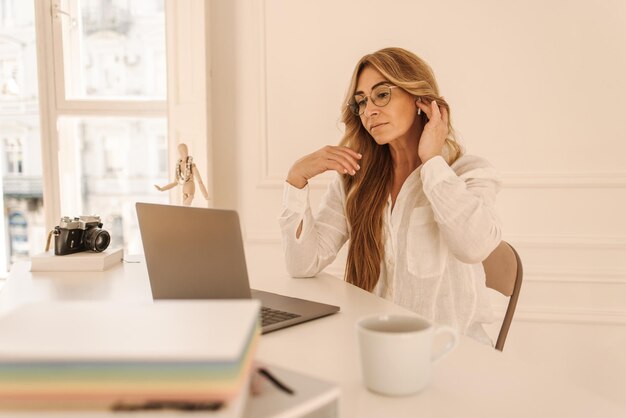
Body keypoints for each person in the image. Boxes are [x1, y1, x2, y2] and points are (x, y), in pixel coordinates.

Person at [279, 47, 502, 343]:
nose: (369, 110)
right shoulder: (355, 180)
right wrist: (297, 178)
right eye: (361, 102)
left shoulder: (467, 172)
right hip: (380, 350)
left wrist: (432, 162)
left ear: (420, 100)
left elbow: (473, 247)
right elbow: (302, 264)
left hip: (452, 356)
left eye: (381, 94)